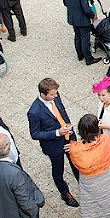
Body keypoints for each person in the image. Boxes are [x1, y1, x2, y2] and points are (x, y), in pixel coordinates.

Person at [67, 114, 110, 218]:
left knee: (94, 211)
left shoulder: (75, 150)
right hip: (109, 176)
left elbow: (76, 164)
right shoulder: (106, 139)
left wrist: (74, 147)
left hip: (90, 184)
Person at [26, 78, 80, 207]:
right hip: (54, 145)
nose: (55, 96)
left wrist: (68, 126)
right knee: (58, 169)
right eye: (52, 94)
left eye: (56, 93)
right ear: (43, 94)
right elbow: (35, 134)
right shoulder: (34, 111)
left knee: (76, 163)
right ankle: (65, 193)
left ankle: (84, 185)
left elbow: (62, 111)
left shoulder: (55, 96)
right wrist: (56, 132)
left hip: (68, 137)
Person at [63, 0, 101, 65]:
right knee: (85, 38)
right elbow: (86, 9)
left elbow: (65, 3)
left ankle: (80, 55)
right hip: (82, 19)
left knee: (77, 36)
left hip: (72, 18)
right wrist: (92, 15)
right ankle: (88, 58)